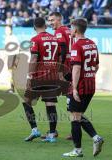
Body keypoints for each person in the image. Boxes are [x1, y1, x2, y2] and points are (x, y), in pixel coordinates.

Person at [62, 18, 104, 157]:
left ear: (75, 29)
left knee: (75, 117)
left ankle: (79, 149)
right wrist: (90, 76)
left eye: (71, 27)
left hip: (80, 87)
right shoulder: (92, 44)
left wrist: (74, 88)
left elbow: (77, 69)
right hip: (91, 85)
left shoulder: (77, 46)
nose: (69, 30)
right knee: (78, 115)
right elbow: (96, 66)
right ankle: (95, 139)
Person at [23, 17, 61, 143]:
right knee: (50, 104)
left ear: (34, 27)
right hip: (53, 76)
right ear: (45, 26)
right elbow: (60, 58)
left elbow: (34, 59)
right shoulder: (55, 39)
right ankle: (51, 134)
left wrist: (29, 76)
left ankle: (34, 130)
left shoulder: (35, 39)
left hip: (39, 77)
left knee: (27, 101)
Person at [49, 11, 74, 140]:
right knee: (71, 98)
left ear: (59, 20)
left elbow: (63, 50)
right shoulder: (70, 30)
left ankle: (52, 131)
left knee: (50, 98)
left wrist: (60, 69)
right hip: (73, 67)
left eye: (52, 20)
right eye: (49, 20)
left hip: (66, 69)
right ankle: (72, 131)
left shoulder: (59, 32)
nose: (50, 23)